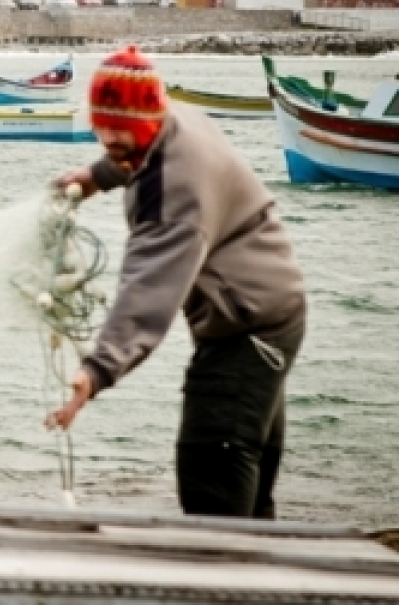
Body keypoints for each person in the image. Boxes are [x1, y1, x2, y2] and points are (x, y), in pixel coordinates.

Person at [49, 46, 306, 519]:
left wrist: (96, 371)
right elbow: (136, 155)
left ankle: (222, 584)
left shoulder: (177, 190)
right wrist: (97, 176)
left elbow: (148, 287)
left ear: (144, 122)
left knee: (213, 468)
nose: (106, 137)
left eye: (117, 136)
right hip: (272, 309)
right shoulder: (174, 118)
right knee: (247, 481)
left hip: (248, 329)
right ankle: (260, 577)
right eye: (99, 129)